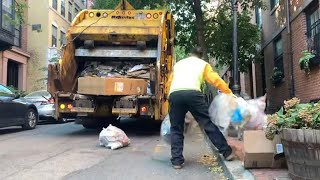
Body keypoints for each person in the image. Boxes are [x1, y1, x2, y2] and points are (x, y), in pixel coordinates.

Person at [167, 46, 236, 169]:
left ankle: (177, 161)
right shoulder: (203, 64)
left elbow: (170, 82)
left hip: (175, 94)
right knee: (207, 124)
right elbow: (215, 79)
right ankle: (227, 152)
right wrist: (228, 92)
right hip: (193, 94)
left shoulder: (178, 64)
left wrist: (170, 98)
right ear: (201, 56)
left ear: (190, 54)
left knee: (176, 128)